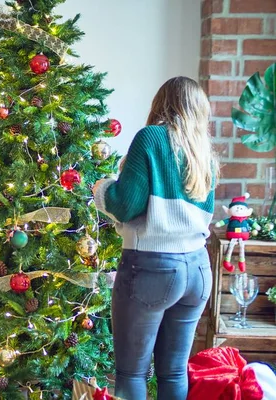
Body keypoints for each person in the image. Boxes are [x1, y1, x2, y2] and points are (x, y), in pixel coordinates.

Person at [92, 76, 219, 400]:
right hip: (198, 270)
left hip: (152, 267)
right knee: (174, 372)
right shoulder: (204, 151)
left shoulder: (150, 138)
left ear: (161, 103)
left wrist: (101, 187)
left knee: (132, 373)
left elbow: (124, 204)